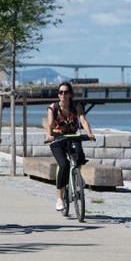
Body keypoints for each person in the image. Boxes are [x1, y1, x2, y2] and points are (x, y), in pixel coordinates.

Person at [45, 82, 95, 211]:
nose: (63, 95)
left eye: (66, 92)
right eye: (61, 92)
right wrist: (49, 134)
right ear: (58, 95)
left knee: (80, 157)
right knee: (64, 165)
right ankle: (59, 198)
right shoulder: (53, 108)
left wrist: (89, 133)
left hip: (73, 136)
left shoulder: (75, 106)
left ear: (71, 94)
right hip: (58, 139)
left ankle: (77, 176)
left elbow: (83, 119)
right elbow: (49, 123)